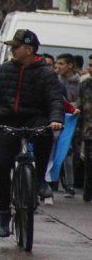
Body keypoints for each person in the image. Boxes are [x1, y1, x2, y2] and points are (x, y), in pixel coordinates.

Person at [0, 29, 64, 238]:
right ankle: (4, 213)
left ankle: (39, 181)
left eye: (15, 47)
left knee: (45, 134)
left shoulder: (46, 74)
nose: (12, 50)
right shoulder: (3, 70)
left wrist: (56, 120)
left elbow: (55, 99)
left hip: (34, 119)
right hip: (6, 122)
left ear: (29, 49)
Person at [56, 53, 81, 197]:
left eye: (61, 64)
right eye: (57, 64)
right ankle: (66, 184)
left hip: (76, 121)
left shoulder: (80, 82)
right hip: (59, 119)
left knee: (75, 153)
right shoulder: (55, 81)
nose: (57, 67)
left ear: (70, 65)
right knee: (65, 151)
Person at [79, 73, 92, 201]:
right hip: (89, 130)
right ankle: (87, 193)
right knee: (89, 164)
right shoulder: (85, 84)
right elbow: (79, 105)